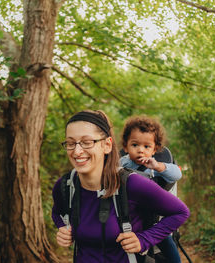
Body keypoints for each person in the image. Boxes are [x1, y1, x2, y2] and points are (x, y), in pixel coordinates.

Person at [52, 110, 189, 263]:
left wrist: (144, 239)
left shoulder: (131, 184)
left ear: (107, 145)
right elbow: (57, 212)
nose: (77, 151)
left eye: (87, 142)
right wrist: (62, 228)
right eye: (70, 143)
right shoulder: (66, 186)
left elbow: (180, 212)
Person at [120, 115, 182, 262]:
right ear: (126, 147)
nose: (141, 150)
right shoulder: (122, 163)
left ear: (155, 149)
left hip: (152, 220)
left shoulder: (154, 166)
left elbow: (177, 174)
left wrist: (158, 166)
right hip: (128, 219)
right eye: (135, 145)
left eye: (147, 147)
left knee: (166, 242)